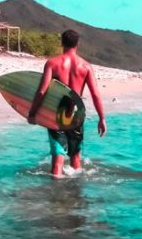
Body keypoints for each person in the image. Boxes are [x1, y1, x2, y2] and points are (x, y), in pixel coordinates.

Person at [28, 29, 107, 178]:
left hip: (57, 114)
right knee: (76, 158)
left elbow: (42, 91)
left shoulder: (52, 63)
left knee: (58, 159)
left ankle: (56, 194)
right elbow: (95, 94)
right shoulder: (86, 66)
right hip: (76, 113)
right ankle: (75, 194)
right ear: (77, 44)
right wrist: (102, 118)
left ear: (62, 42)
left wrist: (32, 113)